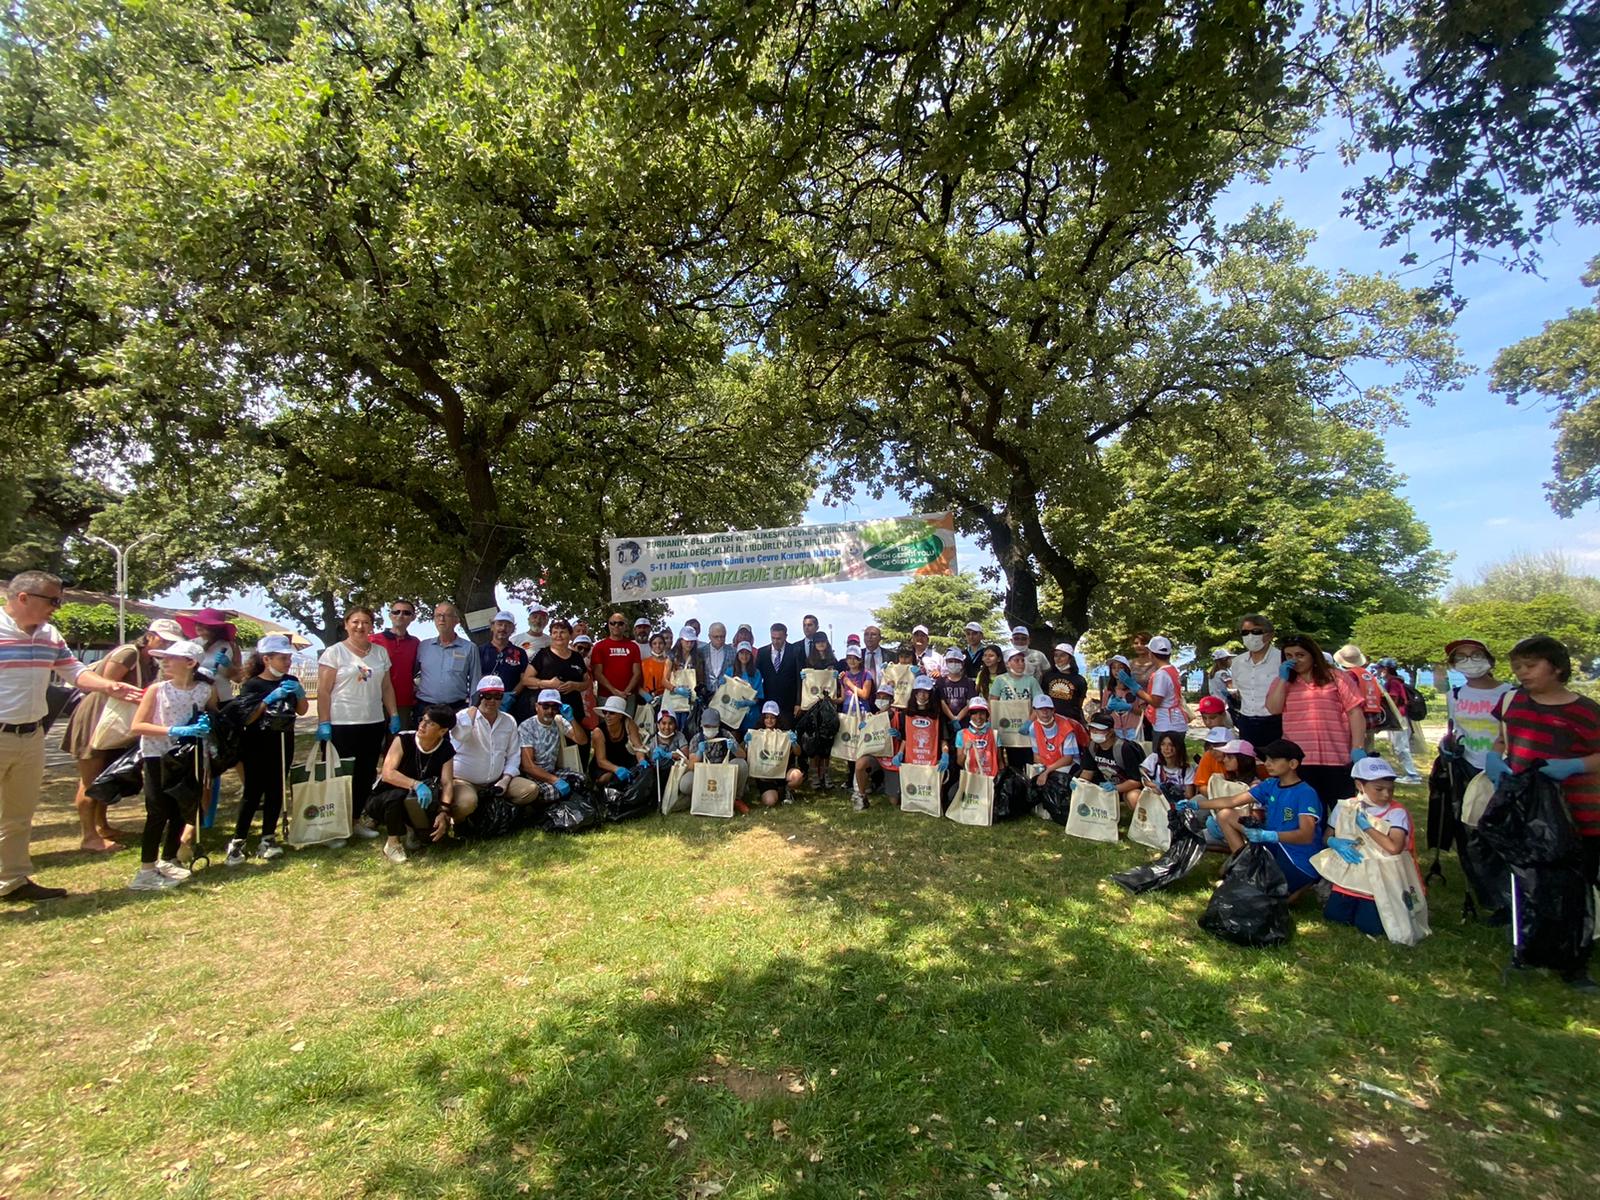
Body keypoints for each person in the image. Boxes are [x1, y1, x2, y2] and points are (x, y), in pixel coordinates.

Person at [2, 571, 144, 900]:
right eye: (52, 600)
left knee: (18, 814)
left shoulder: (49, 635)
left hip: (30, 734)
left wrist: (111, 686)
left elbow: (75, 672)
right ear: (23, 598)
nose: (57, 607)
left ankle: (12, 881)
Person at [1487, 634, 1600, 991]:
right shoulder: (1513, 701)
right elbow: (1502, 738)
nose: (1522, 673)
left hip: (1577, 811)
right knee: (1528, 880)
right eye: (1517, 666)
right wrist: (1496, 757)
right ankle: (1527, 951)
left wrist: (1575, 765)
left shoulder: (1585, 710)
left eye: (1530, 665)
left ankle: (1575, 962)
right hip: (1526, 806)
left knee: (1575, 885)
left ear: (1556, 667)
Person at [63, 617, 177, 852]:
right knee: (90, 780)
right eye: (163, 639)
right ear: (150, 636)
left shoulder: (152, 661)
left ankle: (102, 826)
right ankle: (89, 836)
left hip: (118, 724)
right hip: (98, 718)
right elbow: (107, 684)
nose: (166, 645)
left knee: (106, 777)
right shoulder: (129, 653)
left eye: (170, 642)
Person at [126, 638, 216, 891]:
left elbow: (213, 715)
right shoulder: (157, 690)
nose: (164, 662)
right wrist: (175, 729)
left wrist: (206, 727)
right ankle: (146, 868)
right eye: (163, 658)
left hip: (188, 755)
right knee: (157, 810)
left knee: (181, 807)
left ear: (190, 663)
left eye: (171, 658)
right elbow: (137, 725)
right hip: (157, 755)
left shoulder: (204, 691)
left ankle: (169, 858)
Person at [315, 605, 400, 847]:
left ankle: (354, 820)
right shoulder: (334, 653)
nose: (360, 626)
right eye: (355, 622)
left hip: (372, 722)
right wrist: (324, 722)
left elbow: (386, 687)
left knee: (364, 775)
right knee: (339, 776)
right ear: (346, 624)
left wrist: (393, 714)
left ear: (372, 625)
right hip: (342, 724)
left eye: (365, 622)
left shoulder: (380, 653)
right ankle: (334, 828)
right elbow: (323, 690)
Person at [223, 633, 307, 866]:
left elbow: (302, 710)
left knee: (277, 789)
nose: (287, 662)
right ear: (267, 659)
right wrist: (268, 699)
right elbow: (246, 718)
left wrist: (298, 694)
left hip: (283, 741)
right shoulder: (253, 684)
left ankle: (268, 837)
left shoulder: (291, 680)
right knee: (253, 792)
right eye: (282, 658)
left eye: (289, 658)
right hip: (257, 744)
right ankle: (238, 839)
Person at [1265, 633, 1366, 815]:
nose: (1295, 660)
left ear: (1313, 655)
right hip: (1300, 761)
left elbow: (1355, 712)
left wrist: (1357, 746)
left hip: (1336, 757)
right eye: (1289, 656)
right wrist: (1282, 680)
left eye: (1300, 655)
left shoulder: (1337, 677)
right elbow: (1274, 708)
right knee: (1308, 815)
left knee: (1342, 814)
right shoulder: (1283, 682)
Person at [1213, 737, 1324, 898]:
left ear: (1293, 764)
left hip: (1297, 858)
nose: (1267, 763)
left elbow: (1306, 836)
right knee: (1225, 815)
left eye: (1274, 760)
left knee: (1262, 897)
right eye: (1266, 759)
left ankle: (1303, 884)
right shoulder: (1271, 784)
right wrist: (1194, 805)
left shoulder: (1306, 793)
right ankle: (1247, 870)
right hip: (1274, 846)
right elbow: (1232, 801)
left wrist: (1269, 836)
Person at [1323, 757, 1416, 937]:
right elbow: (1327, 835)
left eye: (1390, 789)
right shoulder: (1344, 807)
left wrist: (1368, 828)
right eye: (1379, 789)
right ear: (1360, 785)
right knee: (1334, 917)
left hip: (1382, 877)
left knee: (1369, 926)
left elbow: (1394, 847)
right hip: (1349, 876)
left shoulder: (1397, 812)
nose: (1386, 795)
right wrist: (1333, 842)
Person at [369, 704, 457, 863]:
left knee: (430, 839)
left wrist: (444, 811)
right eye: (423, 720)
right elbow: (388, 774)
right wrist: (416, 784)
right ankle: (393, 843)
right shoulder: (403, 739)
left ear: (442, 731)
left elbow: (447, 782)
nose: (422, 725)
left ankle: (413, 830)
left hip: (417, 802)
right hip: (385, 798)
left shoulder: (446, 748)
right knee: (398, 795)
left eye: (430, 723)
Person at [449, 677, 538, 809]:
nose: (492, 701)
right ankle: (465, 818)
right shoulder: (462, 716)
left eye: (497, 697)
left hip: (497, 782)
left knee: (530, 789)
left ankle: (494, 809)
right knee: (466, 803)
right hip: (465, 781)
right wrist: (474, 706)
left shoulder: (509, 721)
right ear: (478, 697)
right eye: (487, 696)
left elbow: (513, 755)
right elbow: (461, 735)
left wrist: (505, 780)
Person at [1440, 638, 1512, 774]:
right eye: (1460, 657)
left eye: (1476, 655)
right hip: (1467, 767)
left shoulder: (1510, 693)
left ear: (1489, 660)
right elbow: (1457, 729)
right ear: (1453, 664)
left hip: (1504, 766)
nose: (1469, 661)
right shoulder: (1454, 694)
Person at [514, 688, 590, 809]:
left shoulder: (559, 721)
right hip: (534, 775)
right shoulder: (526, 727)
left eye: (554, 707)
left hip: (552, 771)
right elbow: (528, 766)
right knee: (550, 791)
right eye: (545, 706)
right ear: (537, 706)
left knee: (581, 779)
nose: (550, 711)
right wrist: (555, 781)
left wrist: (572, 719)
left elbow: (582, 740)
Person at [1115, 635, 1191, 748]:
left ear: (1151, 653)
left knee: (1162, 757)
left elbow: (1155, 702)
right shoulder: (1172, 669)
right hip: (1175, 722)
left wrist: (1134, 687)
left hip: (1166, 724)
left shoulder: (1161, 674)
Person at [888, 678, 950, 810]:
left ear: (930, 693)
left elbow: (943, 739)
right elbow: (905, 738)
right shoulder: (906, 714)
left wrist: (945, 754)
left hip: (932, 758)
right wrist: (900, 753)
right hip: (912, 758)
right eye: (919, 691)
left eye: (926, 692)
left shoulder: (938, 714)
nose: (922, 695)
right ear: (914, 693)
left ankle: (932, 803)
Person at [415, 603, 478, 723]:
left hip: (456, 708)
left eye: (447, 615)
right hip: (425, 707)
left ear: (456, 620)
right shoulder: (423, 646)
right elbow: (410, 673)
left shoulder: (469, 648)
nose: (441, 619)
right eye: (438, 615)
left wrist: (473, 708)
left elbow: (475, 681)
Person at [1228, 614, 1283, 749]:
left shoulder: (1282, 659)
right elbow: (1238, 690)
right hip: (1246, 721)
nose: (1250, 636)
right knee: (1248, 763)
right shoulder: (1237, 663)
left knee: (1276, 765)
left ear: (1269, 635)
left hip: (1276, 721)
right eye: (1245, 632)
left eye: (1256, 632)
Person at [528, 619, 591, 727]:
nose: (559, 635)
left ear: (570, 635)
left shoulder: (577, 657)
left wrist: (575, 685)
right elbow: (526, 679)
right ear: (551, 635)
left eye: (562, 632)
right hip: (548, 712)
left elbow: (587, 682)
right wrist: (548, 684)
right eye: (555, 632)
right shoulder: (542, 655)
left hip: (572, 712)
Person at [683, 710, 748, 810]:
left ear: (718, 725)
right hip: (705, 775)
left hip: (723, 772)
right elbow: (691, 766)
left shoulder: (725, 735)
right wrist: (699, 753)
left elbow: (743, 755)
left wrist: (735, 748)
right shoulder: (696, 739)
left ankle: (736, 798)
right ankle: (700, 797)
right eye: (707, 726)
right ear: (702, 724)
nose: (710, 729)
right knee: (685, 784)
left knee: (741, 764)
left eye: (713, 726)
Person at [372, 600, 421, 729]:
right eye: (396, 612)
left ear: (413, 617)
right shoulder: (373, 640)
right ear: (390, 615)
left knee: (399, 743)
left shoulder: (416, 643)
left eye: (406, 613)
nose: (400, 615)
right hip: (376, 700)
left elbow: (415, 670)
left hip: (403, 702)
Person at [1373, 659, 1423, 784]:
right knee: (1398, 746)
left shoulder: (1393, 683)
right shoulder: (1395, 681)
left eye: (1379, 668)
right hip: (1400, 717)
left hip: (1399, 718)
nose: (1377, 671)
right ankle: (1409, 773)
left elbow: (1393, 700)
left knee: (1401, 747)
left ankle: (1412, 775)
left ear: (1385, 669)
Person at [744, 702, 803, 807]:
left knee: (797, 776)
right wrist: (745, 742)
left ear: (777, 718)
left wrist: (793, 742)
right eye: (766, 717)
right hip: (765, 776)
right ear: (763, 718)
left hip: (783, 772)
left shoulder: (785, 734)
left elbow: (798, 752)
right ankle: (774, 792)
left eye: (773, 717)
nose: (769, 720)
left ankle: (787, 790)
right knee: (770, 801)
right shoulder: (756, 734)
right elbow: (744, 753)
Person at [176, 608, 241, 702]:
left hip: (223, 698)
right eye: (197, 623)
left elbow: (239, 678)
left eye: (204, 623)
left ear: (215, 627)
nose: (198, 626)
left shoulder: (231, 646)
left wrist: (229, 666)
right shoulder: (189, 645)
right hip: (195, 698)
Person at [1080, 713, 1144, 808]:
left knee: (1133, 797)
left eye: (1099, 729)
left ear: (1110, 732)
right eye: (1092, 728)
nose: (1094, 732)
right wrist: (1079, 784)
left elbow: (1136, 781)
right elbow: (1087, 772)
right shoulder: (1091, 747)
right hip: (1103, 788)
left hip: (1127, 788)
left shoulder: (1124, 748)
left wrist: (1115, 788)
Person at [1020, 695, 1081, 792]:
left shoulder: (1066, 727)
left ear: (1053, 710)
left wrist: (1047, 772)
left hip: (1066, 765)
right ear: (1035, 711)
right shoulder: (1033, 727)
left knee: (1055, 783)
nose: (1045, 712)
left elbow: (1068, 759)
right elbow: (1036, 755)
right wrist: (1041, 770)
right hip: (1047, 764)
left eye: (1048, 709)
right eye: (1041, 709)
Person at [1333, 644, 1389, 750]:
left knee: (1355, 755)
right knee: (1368, 753)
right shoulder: (1367, 675)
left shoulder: (1347, 677)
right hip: (1372, 719)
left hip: (1356, 722)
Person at [480, 611, 532, 719]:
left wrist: (511, 695)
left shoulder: (520, 653)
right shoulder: (480, 651)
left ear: (513, 629)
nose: (503, 628)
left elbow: (524, 679)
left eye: (508, 625)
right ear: (492, 627)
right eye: (499, 624)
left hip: (511, 706)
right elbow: (475, 675)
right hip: (484, 702)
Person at [593, 612, 644, 712]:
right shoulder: (599, 646)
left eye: (620, 623)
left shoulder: (633, 646)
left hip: (628, 696)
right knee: (607, 726)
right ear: (608, 625)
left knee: (627, 726)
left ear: (625, 626)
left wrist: (625, 692)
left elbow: (637, 673)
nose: (616, 626)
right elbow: (597, 673)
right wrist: (614, 691)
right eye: (613, 623)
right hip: (606, 696)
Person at [591, 695, 645, 787]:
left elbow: (638, 747)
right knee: (606, 778)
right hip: (606, 764)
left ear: (620, 716)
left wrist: (642, 761)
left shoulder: (629, 723)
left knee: (643, 771)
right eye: (605, 712)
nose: (607, 716)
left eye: (612, 713)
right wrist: (616, 769)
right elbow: (601, 760)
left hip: (625, 759)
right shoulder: (598, 732)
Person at [756, 623, 803, 723]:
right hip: (767, 702)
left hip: (788, 703)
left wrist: (798, 703)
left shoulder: (795, 651)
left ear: (785, 636)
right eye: (773, 638)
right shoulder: (762, 652)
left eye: (779, 638)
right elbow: (757, 677)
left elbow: (799, 679)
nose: (776, 641)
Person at [1142, 731, 1196, 803]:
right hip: (1155, 798)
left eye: (1171, 745)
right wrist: (1153, 785)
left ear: (1178, 747)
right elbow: (1141, 774)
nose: (1166, 748)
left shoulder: (1187, 769)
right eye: (1163, 744)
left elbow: (1189, 795)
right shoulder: (1154, 759)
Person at [1040, 643, 1087, 723]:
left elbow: (1079, 703)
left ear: (1070, 658)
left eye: (1062, 655)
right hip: (1050, 720)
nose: (1058, 658)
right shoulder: (1047, 676)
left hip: (1071, 721)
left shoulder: (1079, 680)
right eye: (1056, 655)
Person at [934, 648, 979, 730]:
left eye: (957, 661)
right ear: (946, 663)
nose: (954, 664)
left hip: (965, 722)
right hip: (945, 722)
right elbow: (942, 702)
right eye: (950, 661)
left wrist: (958, 718)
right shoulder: (940, 682)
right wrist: (952, 718)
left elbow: (970, 703)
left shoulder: (969, 682)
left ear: (962, 663)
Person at [639, 630, 673, 706]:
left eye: (660, 643)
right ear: (651, 646)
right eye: (654, 643)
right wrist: (645, 695)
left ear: (664, 645)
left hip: (666, 700)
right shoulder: (644, 663)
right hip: (646, 700)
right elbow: (637, 685)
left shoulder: (669, 663)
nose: (657, 646)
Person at [699, 623, 734, 692]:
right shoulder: (701, 652)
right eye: (716, 637)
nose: (719, 639)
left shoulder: (733, 652)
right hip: (705, 694)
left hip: (725, 695)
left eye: (722, 636)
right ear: (709, 636)